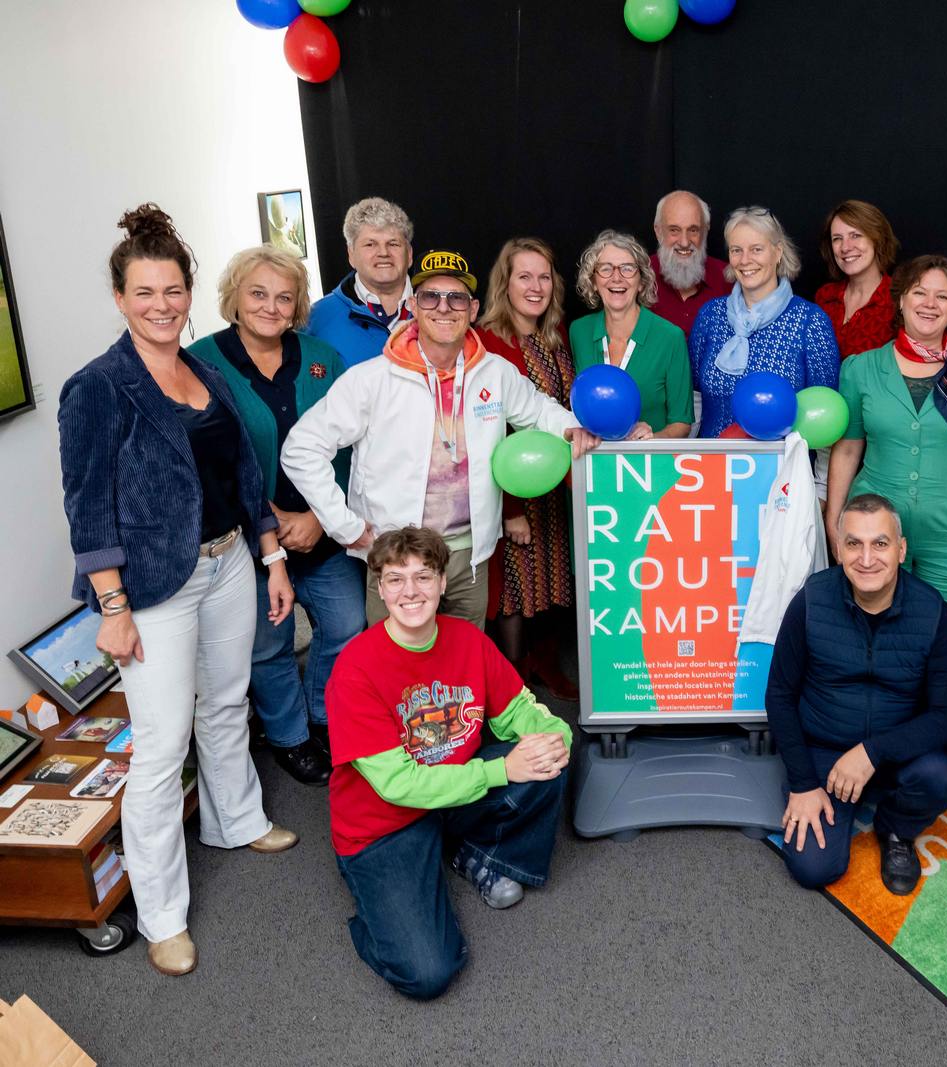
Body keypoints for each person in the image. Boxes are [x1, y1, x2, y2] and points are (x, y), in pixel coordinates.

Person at [57, 205, 299, 977]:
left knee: (226, 703)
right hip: (153, 588)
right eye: (143, 292)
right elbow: (87, 504)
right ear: (120, 298)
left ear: (190, 292)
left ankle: (238, 820)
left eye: (172, 290)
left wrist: (271, 556)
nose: (160, 305)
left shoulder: (202, 368)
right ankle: (162, 914)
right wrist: (113, 608)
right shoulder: (96, 387)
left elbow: (241, 475)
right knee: (160, 749)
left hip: (229, 561)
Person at [281, 250, 606, 630]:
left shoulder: (494, 372)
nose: (444, 308)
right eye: (430, 297)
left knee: (463, 669)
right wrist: (344, 525)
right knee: (397, 671)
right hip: (398, 558)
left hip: (469, 554)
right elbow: (301, 448)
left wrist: (572, 427)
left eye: (456, 298)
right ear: (413, 308)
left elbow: (538, 410)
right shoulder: (372, 379)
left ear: (473, 309)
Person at [327, 526, 569, 1000]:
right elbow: (399, 785)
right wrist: (501, 771)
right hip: (382, 825)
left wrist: (555, 739)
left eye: (423, 576)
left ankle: (473, 853)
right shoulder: (355, 668)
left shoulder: (467, 640)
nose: (410, 591)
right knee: (427, 973)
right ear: (380, 589)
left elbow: (520, 710)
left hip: (451, 789)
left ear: (442, 583)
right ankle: (383, 910)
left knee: (543, 764)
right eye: (396, 580)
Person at [191, 245, 366, 786]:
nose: (271, 306)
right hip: (247, 536)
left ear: (297, 307)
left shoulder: (322, 358)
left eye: (284, 297)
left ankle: (321, 715)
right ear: (234, 298)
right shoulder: (202, 362)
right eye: (258, 293)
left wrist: (318, 516)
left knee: (347, 626)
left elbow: (351, 449)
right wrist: (269, 520)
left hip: (322, 527)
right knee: (269, 642)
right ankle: (289, 735)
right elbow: (209, 458)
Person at [767, 495, 947, 895]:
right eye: (854, 543)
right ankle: (830, 799)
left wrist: (872, 752)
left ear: (901, 549)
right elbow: (780, 695)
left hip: (897, 749)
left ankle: (895, 829)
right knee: (813, 869)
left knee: (942, 778)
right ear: (838, 549)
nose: (867, 558)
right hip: (825, 750)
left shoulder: (932, 612)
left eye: (880, 544)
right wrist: (804, 784)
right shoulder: (811, 601)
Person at [826, 254, 947, 653]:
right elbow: (848, 448)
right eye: (919, 293)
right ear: (901, 301)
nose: (929, 304)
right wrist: (835, 520)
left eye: (942, 296)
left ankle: (944, 716)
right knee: (872, 630)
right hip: (874, 525)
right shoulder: (861, 368)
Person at [473, 237, 580, 700]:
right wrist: (511, 507)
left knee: (554, 581)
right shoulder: (486, 340)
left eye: (544, 276)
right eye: (524, 276)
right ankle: (514, 685)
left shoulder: (556, 336)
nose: (535, 286)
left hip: (556, 484)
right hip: (512, 488)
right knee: (515, 589)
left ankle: (545, 667)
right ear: (506, 282)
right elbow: (489, 432)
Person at [687, 206, 839, 439]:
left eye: (756, 249)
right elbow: (694, 396)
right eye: (736, 250)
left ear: (778, 252)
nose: (745, 260)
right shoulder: (710, 316)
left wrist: (820, 477)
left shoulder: (810, 321)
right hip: (713, 464)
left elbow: (825, 409)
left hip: (781, 469)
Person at [569, 230, 694, 436]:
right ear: (593, 281)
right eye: (606, 269)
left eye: (627, 269)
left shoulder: (671, 337)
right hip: (595, 461)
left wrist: (653, 439)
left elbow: (682, 422)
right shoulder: (579, 332)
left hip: (649, 463)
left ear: (641, 282)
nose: (616, 278)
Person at [307, 197, 415, 367]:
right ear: (351, 254)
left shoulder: (441, 311)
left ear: (409, 254)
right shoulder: (317, 319)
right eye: (370, 244)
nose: (383, 252)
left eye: (393, 244)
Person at [814, 199, 899, 357]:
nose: (845, 247)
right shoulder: (825, 297)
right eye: (837, 239)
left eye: (855, 235)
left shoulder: (898, 300)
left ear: (877, 239)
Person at [649, 190, 732, 336]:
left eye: (693, 230)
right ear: (658, 231)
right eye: (674, 230)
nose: (684, 242)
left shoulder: (729, 278)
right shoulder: (639, 276)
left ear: (705, 230)